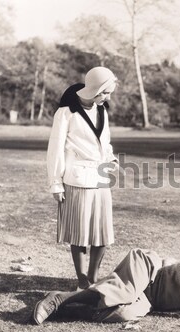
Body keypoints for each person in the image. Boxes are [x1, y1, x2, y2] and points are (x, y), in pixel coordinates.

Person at [32, 248, 180, 325]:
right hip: (150, 268)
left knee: (126, 312)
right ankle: (60, 299)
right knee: (124, 291)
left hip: (149, 299)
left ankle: (64, 309)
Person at [47, 66, 119, 290]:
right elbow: (55, 149)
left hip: (100, 179)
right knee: (79, 235)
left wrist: (111, 159)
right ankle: (82, 281)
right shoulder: (66, 113)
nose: (108, 98)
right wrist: (55, 183)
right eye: (106, 93)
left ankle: (93, 277)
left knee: (103, 234)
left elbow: (104, 143)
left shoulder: (102, 111)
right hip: (76, 179)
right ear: (96, 88)